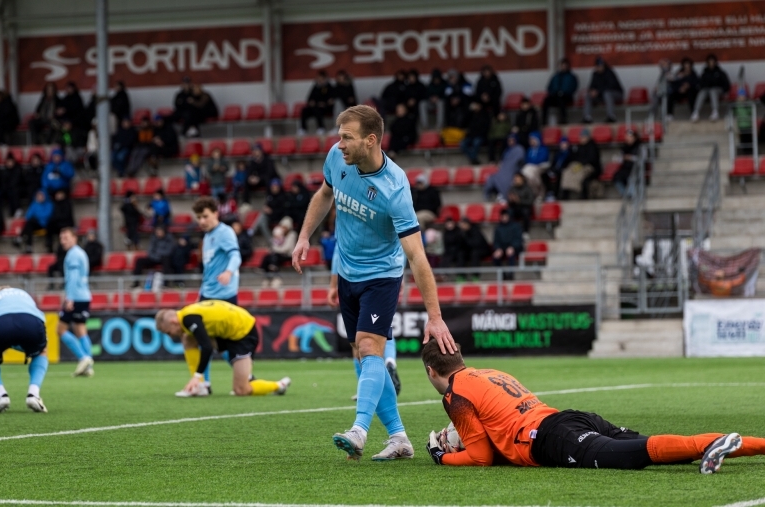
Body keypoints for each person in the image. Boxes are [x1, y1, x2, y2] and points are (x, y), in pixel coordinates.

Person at [291, 104, 456, 461]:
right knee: (366, 357)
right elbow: (324, 194)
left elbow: (417, 257)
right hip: (347, 273)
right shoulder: (338, 159)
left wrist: (435, 316)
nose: (339, 144)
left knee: (368, 347)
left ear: (371, 140)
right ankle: (399, 438)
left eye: (347, 137)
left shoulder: (395, 187)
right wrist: (305, 236)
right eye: (339, 137)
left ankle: (359, 430)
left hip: (381, 275)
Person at [422, 339, 765, 473]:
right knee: (656, 446)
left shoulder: (454, 395)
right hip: (569, 419)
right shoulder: (489, 371)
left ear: (430, 371)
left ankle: (711, 444)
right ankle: (750, 444)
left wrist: (442, 456)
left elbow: (481, 457)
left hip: (551, 438)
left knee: (636, 455)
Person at [155, 301, 291, 397]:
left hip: (243, 334)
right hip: (227, 334)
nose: (171, 335)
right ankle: (201, 387)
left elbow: (207, 347)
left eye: (168, 332)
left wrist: (197, 376)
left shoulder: (188, 319)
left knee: (241, 390)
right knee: (188, 338)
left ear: (173, 322)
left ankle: (278, 385)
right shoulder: (187, 314)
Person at [327, 245, 401, 400]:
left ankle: (366, 386)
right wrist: (401, 278)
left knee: (360, 342)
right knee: (379, 331)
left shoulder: (347, 223)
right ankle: (389, 362)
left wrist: (333, 285)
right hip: (384, 278)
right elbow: (404, 250)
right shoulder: (388, 223)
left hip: (351, 280)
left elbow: (337, 253)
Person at [186, 196, 242, 396]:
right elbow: (208, 271)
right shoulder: (207, 236)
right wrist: (200, 295)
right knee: (196, 339)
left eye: (205, 216)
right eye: (199, 217)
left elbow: (236, 255)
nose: (201, 221)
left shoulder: (225, 233)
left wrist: (229, 272)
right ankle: (203, 383)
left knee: (223, 344)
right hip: (207, 295)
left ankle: (246, 378)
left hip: (224, 296)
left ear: (216, 214)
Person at [0, 287, 49, 414]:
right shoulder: (24, 294)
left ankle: (0, 394)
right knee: (42, 351)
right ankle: (34, 394)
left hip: (0, 323)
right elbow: (38, 316)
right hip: (31, 322)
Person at [57, 227, 94, 378]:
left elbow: (72, 278)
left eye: (66, 237)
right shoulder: (81, 253)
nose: (63, 241)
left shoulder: (72, 255)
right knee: (81, 330)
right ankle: (88, 366)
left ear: (74, 238)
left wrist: (69, 297)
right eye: (61, 238)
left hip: (76, 297)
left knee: (60, 330)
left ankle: (83, 358)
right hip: (84, 296)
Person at [561, 129, 602, 200]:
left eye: (583, 137)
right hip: (578, 165)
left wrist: (581, 163)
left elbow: (592, 159)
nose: (581, 139)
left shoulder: (592, 147)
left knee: (580, 174)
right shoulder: (579, 147)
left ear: (588, 137)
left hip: (591, 167)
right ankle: (565, 194)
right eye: (581, 137)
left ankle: (581, 194)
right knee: (567, 172)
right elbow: (573, 157)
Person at [484, 134, 525, 203]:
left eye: (512, 140)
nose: (511, 142)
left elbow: (520, 161)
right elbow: (504, 161)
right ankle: (498, 194)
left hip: (514, 170)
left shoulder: (519, 149)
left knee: (507, 179)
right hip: (504, 169)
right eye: (509, 140)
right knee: (491, 178)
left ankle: (505, 195)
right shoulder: (507, 151)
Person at [583, 57, 624, 123]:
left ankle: (611, 116)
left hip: (616, 94)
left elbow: (611, 86)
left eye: (601, 65)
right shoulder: (595, 74)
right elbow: (591, 85)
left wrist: (598, 91)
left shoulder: (609, 72)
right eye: (598, 66)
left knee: (607, 93)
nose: (600, 67)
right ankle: (587, 117)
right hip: (601, 95)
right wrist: (591, 91)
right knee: (588, 95)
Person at [691, 54, 731, 122]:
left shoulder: (720, 72)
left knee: (713, 90)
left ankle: (715, 112)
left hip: (718, 90)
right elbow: (701, 83)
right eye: (709, 62)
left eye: (712, 61)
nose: (711, 63)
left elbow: (726, 84)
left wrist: (724, 90)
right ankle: (696, 112)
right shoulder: (705, 73)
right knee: (702, 92)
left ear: (715, 62)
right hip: (707, 90)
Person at [261, 216, 297, 288]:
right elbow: (273, 245)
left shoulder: (292, 234)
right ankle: (267, 277)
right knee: (267, 257)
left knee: (274, 257)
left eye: (285, 227)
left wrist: (275, 249)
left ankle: (276, 278)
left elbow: (286, 248)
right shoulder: (279, 234)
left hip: (287, 255)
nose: (283, 229)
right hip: (278, 254)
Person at [542, 58, 578, 125]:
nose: (563, 67)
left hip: (566, 96)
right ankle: (544, 121)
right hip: (555, 95)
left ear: (568, 66)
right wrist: (553, 93)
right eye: (562, 65)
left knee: (561, 100)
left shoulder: (572, 77)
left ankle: (563, 119)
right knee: (546, 100)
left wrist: (564, 93)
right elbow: (549, 87)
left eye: (565, 65)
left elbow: (574, 88)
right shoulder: (555, 76)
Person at [492, 208, 524, 277]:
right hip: (502, 248)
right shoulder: (498, 228)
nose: (504, 218)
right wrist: (498, 248)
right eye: (502, 216)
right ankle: (502, 274)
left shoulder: (516, 226)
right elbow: (496, 241)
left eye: (506, 216)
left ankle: (510, 274)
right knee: (495, 256)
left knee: (511, 253)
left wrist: (513, 247)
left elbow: (519, 239)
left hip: (515, 248)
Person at [460, 100, 491, 165]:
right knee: (462, 144)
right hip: (470, 136)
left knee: (476, 142)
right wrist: (469, 111)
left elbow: (486, 127)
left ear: (480, 106)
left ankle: (472, 159)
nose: (474, 107)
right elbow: (462, 124)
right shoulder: (470, 114)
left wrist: (480, 134)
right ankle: (473, 159)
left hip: (481, 136)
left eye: (476, 105)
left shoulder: (485, 115)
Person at [613, 130, 642, 197]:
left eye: (630, 137)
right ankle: (625, 194)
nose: (628, 138)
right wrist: (619, 158)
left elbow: (642, 159)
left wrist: (630, 157)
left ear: (634, 138)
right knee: (617, 177)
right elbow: (620, 159)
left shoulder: (639, 146)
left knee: (631, 176)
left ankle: (632, 194)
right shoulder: (624, 147)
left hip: (636, 167)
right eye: (627, 137)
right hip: (626, 167)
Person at [521, 132, 549, 198]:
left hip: (541, 166)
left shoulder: (543, 149)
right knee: (528, 174)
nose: (531, 141)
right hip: (531, 167)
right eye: (530, 140)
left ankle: (540, 191)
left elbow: (542, 159)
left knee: (531, 172)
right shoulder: (529, 150)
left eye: (533, 139)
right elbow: (527, 160)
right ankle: (535, 192)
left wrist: (532, 162)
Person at [544, 137, 572, 201]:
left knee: (559, 176)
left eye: (565, 143)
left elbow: (569, 164)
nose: (563, 145)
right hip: (555, 170)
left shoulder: (570, 153)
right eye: (562, 143)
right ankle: (548, 193)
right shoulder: (558, 153)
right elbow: (553, 163)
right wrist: (551, 169)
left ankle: (557, 195)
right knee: (545, 175)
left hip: (563, 170)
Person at [731, 88, 754, 155]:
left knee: (749, 138)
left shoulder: (748, 103)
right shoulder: (736, 105)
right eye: (740, 96)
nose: (742, 98)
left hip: (748, 124)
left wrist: (745, 106)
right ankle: (744, 152)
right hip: (741, 125)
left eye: (743, 96)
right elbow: (734, 113)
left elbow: (751, 111)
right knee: (743, 139)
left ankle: (750, 151)